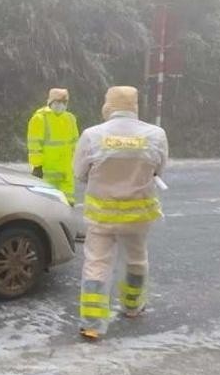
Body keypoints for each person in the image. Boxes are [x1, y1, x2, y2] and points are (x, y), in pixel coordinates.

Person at [73, 86, 168, 340]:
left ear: (108, 105)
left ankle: (92, 324)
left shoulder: (92, 135)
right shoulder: (156, 135)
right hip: (138, 216)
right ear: (135, 106)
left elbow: (79, 172)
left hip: (101, 216)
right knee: (136, 260)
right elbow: (159, 170)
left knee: (96, 265)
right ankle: (133, 307)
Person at [27, 88, 79, 205]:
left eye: (64, 102)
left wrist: (77, 162)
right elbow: (34, 146)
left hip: (66, 170)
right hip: (47, 171)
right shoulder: (40, 118)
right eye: (58, 102)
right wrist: (37, 166)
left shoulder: (70, 118)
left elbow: (75, 143)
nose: (61, 105)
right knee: (47, 204)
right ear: (50, 102)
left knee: (68, 203)